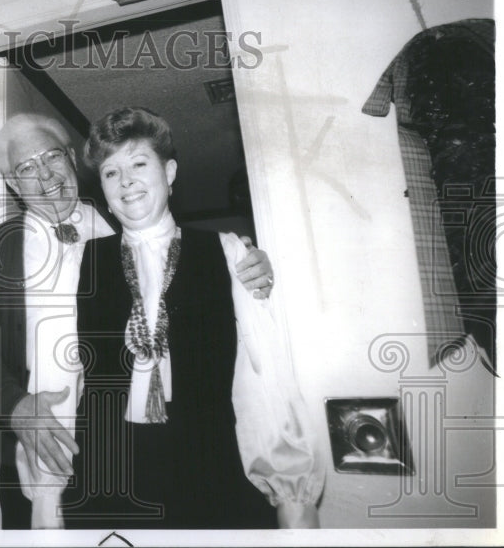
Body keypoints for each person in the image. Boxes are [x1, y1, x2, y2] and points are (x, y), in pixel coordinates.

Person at [0, 113, 277, 529]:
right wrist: (13, 407)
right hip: (40, 445)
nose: (45, 175)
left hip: (149, 446)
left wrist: (249, 264)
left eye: (52, 157)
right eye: (26, 168)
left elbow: (188, 278)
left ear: (71, 159)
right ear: (13, 185)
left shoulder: (118, 217)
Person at [60, 107, 324, 529]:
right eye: (111, 173)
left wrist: (292, 491)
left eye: (139, 164)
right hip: (109, 473)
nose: (125, 181)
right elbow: (64, 374)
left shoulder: (228, 251)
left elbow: (263, 377)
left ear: (170, 172)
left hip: (207, 464)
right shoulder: (80, 262)